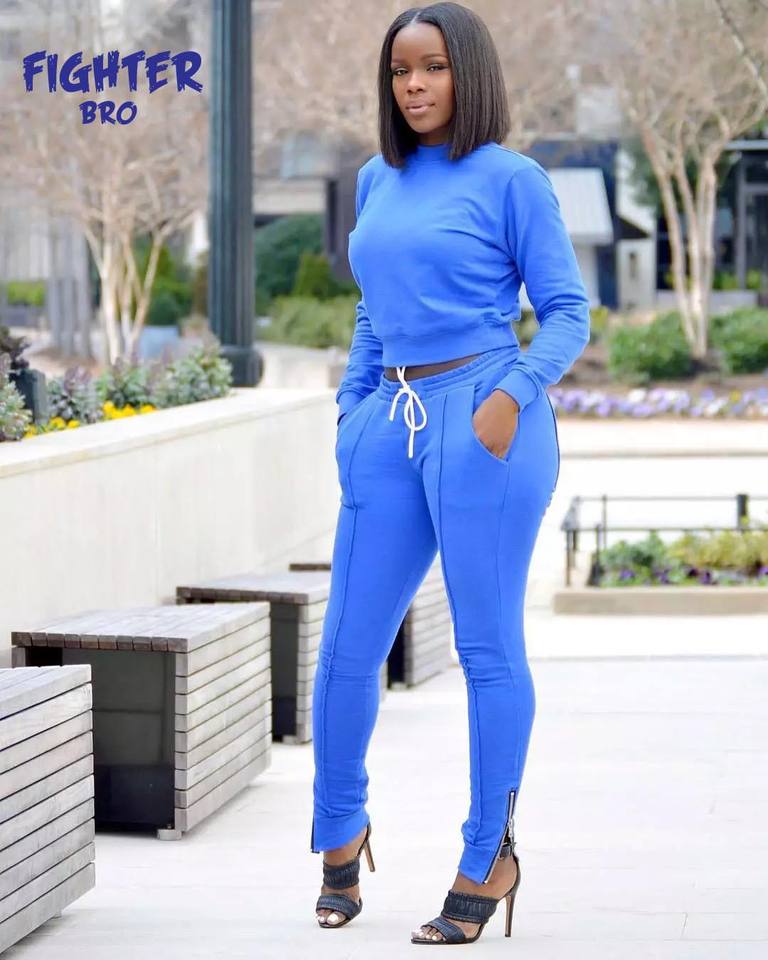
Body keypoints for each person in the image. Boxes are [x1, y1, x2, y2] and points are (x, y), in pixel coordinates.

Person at [311, 0, 590, 945]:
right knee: (347, 647)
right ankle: (339, 830)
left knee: (485, 647)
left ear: (469, 72)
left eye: (433, 67)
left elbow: (566, 311)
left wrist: (510, 396)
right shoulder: (376, 179)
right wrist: (352, 406)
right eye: (400, 71)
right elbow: (371, 307)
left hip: (485, 417)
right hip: (387, 420)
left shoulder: (513, 178)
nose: (415, 85)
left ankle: (487, 854)